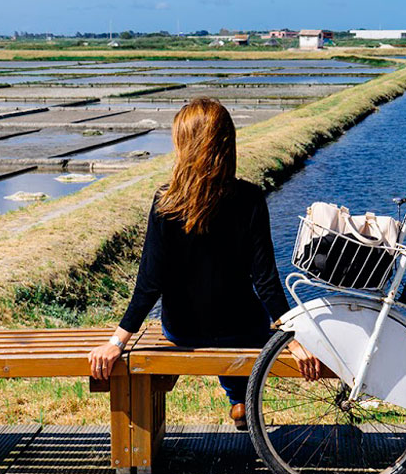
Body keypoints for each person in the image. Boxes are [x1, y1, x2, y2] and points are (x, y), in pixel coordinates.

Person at [88, 97, 319, 430]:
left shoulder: (165, 202)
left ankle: (238, 399)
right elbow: (266, 280)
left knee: (210, 321)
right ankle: (239, 399)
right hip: (241, 325)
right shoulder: (250, 198)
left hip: (183, 328)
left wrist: (116, 343)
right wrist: (293, 341)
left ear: (184, 145)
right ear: (227, 144)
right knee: (241, 321)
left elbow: (149, 283)